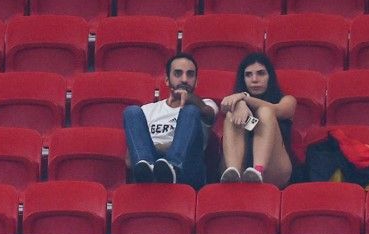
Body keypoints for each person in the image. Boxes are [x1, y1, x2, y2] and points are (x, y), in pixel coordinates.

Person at [123, 53, 218, 187]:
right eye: (178, 74)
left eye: (190, 74)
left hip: (187, 171)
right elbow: (129, 160)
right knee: (131, 111)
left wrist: (191, 100)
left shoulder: (205, 105)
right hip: (151, 168)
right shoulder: (147, 110)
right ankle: (149, 170)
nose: (184, 79)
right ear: (167, 80)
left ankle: (172, 167)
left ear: (196, 81)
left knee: (190, 111)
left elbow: (209, 114)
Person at [219, 52, 296, 186]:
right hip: (241, 165)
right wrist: (240, 104)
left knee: (265, 112)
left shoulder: (287, 100)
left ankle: (257, 171)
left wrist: (243, 97)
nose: (254, 79)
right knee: (231, 114)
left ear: (270, 76)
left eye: (261, 73)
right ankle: (233, 172)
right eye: (248, 75)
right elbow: (223, 106)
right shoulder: (238, 102)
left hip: (275, 168)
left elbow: (278, 110)